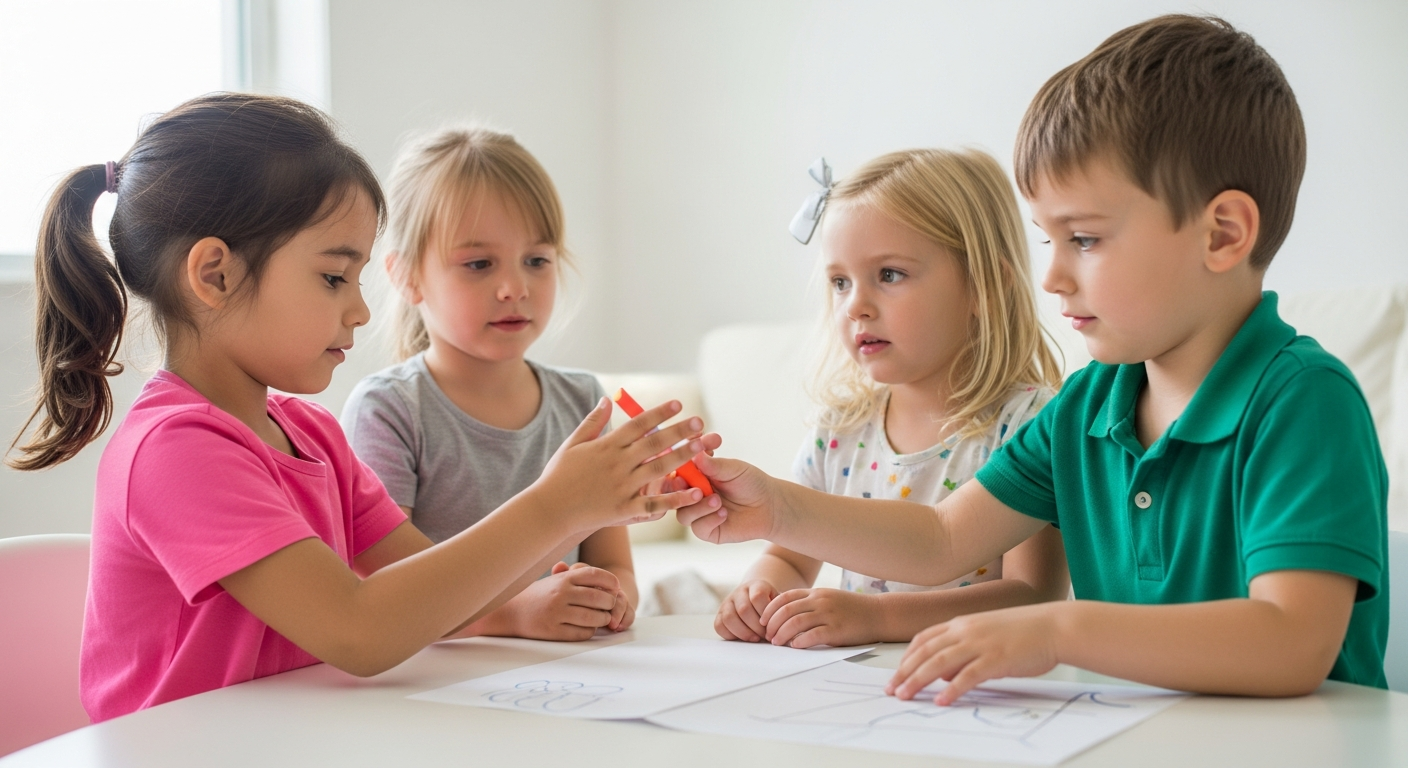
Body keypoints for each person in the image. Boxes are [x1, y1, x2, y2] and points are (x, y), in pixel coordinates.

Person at [678, 14, 1388, 703]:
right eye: (1048, 241)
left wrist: (1057, 628)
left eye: (1083, 238)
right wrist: (778, 508)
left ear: (1223, 233)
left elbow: (1292, 641)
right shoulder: (1087, 406)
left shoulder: (1304, 399)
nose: (1050, 278)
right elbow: (940, 539)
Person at [7, 94, 716, 722]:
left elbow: (435, 591)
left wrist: (603, 498)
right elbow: (360, 630)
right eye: (332, 276)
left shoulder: (309, 433)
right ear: (214, 274)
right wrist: (558, 505)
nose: (358, 308)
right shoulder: (175, 449)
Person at [715, 149, 1068, 649]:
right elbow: (790, 557)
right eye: (840, 282)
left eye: (889, 275)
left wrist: (878, 617)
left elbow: (1032, 597)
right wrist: (759, 592)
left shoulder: (1029, 424)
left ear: (983, 287)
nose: (855, 305)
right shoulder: (839, 429)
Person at [341, 127, 641, 641]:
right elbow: (385, 592)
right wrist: (513, 615)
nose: (514, 288)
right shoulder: (389, 410)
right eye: (479, 264)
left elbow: (617, 566)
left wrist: (610, 599)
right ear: (407, 277)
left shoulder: (583, 401)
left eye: (537, 261)